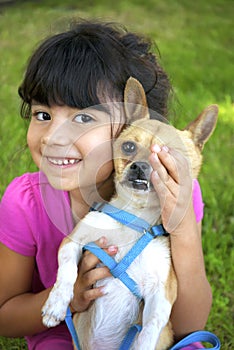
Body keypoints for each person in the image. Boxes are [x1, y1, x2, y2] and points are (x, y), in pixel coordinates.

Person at [0, 20, 212, 350]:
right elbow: (4, 315)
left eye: (83, 117)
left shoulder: (177, 194)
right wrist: (70, 298)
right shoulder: (25, 203)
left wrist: (182, 227)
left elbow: (188, 325)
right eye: (42, 115)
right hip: (64, 335)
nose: (55, 137)